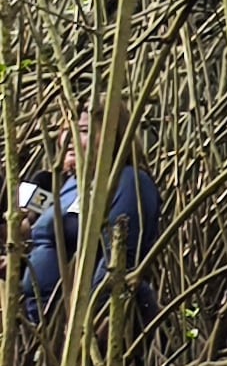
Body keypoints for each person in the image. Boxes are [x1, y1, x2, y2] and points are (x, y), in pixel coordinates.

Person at [20, 106, 165, 321]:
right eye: (66, 130)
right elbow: (55, 247)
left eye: (84, 130)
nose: (70, 138)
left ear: (112, 135)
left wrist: (90, 322)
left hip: (86, 326)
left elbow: (119, 262)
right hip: (44, 323)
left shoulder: (128, 182)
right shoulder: (71, 184)